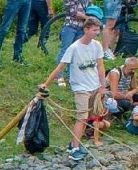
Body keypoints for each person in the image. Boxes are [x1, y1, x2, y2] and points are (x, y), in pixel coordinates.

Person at [38, 16, 104, 161]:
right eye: (94, 30)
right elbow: (60, 67)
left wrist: (102, 86)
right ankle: (75, 148)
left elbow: (100, 66)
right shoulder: (74, 47)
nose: (96, 33)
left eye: (98, 30)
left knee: (90, 117)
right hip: (81, 87)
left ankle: (73, 143)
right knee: (82, 118)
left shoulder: (97, 45)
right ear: (86, 30)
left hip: (94, 86)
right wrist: (46, 83)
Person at [0, 0, 31, 67]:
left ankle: (17, 57)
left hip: (27, 2)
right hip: (14, 2)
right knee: (4, 29)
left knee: (22, 30)